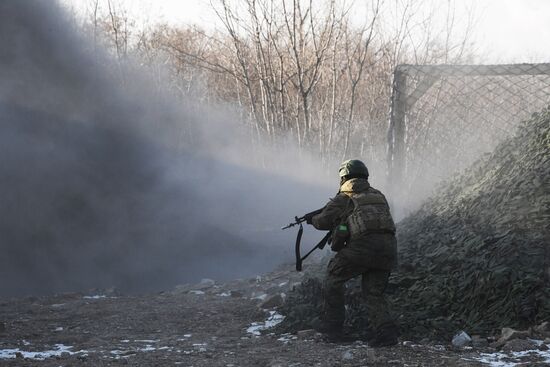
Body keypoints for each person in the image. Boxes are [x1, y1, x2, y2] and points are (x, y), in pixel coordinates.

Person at [305, 159, 399, 346]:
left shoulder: (344, 198)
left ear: (344, 178)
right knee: (374, 292)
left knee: (333, 278)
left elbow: (323, 221)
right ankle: (386, 333)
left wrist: (311, 220)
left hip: (361, 248)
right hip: (388, 248)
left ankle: (333, 328)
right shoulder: (379, 195)